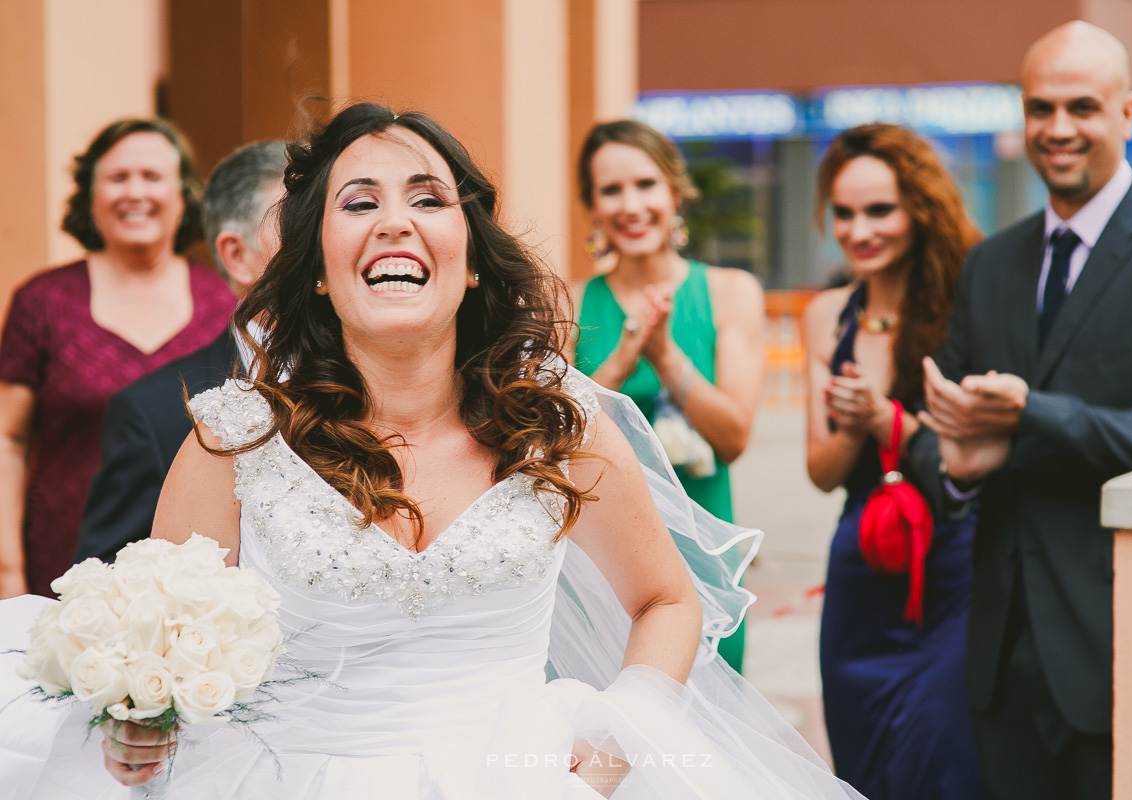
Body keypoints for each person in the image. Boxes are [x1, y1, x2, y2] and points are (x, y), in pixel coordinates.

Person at [0, 104, 863, 800]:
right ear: (316, 270)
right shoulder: (234, 441)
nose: (395, 223)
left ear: (472, 260)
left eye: (426, 197)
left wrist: (609, 750)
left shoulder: (557, 427)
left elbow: (669, 599)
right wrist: (139, 726)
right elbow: (160, 649)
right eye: (359, 201)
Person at [912, 22, 1132, 800]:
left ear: (1129, 112)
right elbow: (937, 438)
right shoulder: (991, 260)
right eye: (1041, 108)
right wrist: (960, 469)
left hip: (1124, 639)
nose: (1059, 129)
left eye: (1083, 107)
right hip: (1002, 652)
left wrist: (1031, 418)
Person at [803, 123, 988, 799]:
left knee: (944, 752)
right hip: (862, 569)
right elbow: (821, 471)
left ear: (920, 208)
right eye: (845, 214)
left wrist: (890, 419)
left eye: (880, 210)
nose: (860, 229)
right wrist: (856, 425)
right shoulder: (828, 315)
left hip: (951, 565)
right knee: (863, 761)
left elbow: (983, 457)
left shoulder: (968, 304)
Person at [0, 119, 236, 599]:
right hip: (61, 557)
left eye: (151, 177)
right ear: (90, 194)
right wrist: (8, 571)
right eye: (117, 177)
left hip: (199, 565)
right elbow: (8, 438)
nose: (135, 192)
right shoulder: (43, 301)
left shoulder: (223, 304)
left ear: (183, 195)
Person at [572, 119, 765, 673]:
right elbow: (552, 437)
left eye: (645, 184)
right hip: (602, 563)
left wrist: (666, 357)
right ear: (593, 208)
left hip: (704, 565)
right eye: (611, 190)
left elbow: (733, 438)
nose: (631, 205)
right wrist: (623, 359)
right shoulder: (569, 299)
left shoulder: (730, 292)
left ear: (675, 194)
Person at [74, 140, 287, 564]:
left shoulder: (397, 383)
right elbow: (109, 585)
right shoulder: (153, 413)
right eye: (304, 224)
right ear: (238, 255)